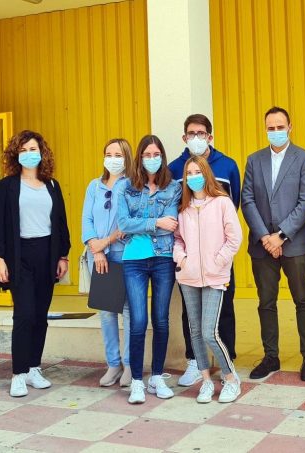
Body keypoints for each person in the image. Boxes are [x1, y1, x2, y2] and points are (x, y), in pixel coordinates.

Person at [0, 130, 71, 397]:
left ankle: (34, 368)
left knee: (40, 315)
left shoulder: (52, 185)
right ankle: (19, 373)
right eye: (23, 150)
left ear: (42, 152)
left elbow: (61, 222)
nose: (28, 154)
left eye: (33, 149)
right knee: (24, 314)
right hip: (19, 255)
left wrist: (63, 255)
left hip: (47, 254)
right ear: (16, 155)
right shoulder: (7, 186)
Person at [241, 107, 305, 381]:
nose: (275, 132)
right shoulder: (254, 160)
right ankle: (270, 356)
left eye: (280, 127)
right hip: (262, 244)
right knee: (266, 301)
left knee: (302, 300)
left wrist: (281, 235)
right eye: (270, 128)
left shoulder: (304, 158)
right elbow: (247, 199)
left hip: (294, 242)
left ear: (290, 127)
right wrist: (265, 237)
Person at [167, 114, 242, 387]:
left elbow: (234, 208)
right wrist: (183, 258)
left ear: (210, 136)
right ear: (184, 137)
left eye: (201, 133)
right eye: (191, 133)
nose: (196, 138)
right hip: (190, 264)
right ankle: (194, 362)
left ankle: (228, 362)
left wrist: (219, 258)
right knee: (192, 318)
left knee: (224, 310)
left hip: (217, 259)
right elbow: (175, 218)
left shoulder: (228, 165)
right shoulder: (174, 168)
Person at [118, 135, 182, 404]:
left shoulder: (173, 187)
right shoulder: (126, 187)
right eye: (147, 155)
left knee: (161, 319)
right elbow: (123, 223)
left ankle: (156, 376)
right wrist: (156, 222)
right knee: (138, 321)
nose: (152, 159)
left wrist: (141, 224)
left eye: (156, 155)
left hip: (163, 258)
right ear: (139, 158)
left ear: (162, 157)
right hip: (134, 260)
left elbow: (172, 223)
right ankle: (136, 381)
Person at [82, 138, 132, 387]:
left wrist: (108, 241)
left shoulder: (133, 185)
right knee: (106, 311)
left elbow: (128, 223)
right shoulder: (94, 186)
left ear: (127, 158)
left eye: (118, 155)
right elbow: (86, 219)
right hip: (98, 256)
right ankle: (113, 364)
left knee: (128, 311)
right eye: (109, 154)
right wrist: (97, 248)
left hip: (124, 254)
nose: (113, 159)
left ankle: (130, 364)